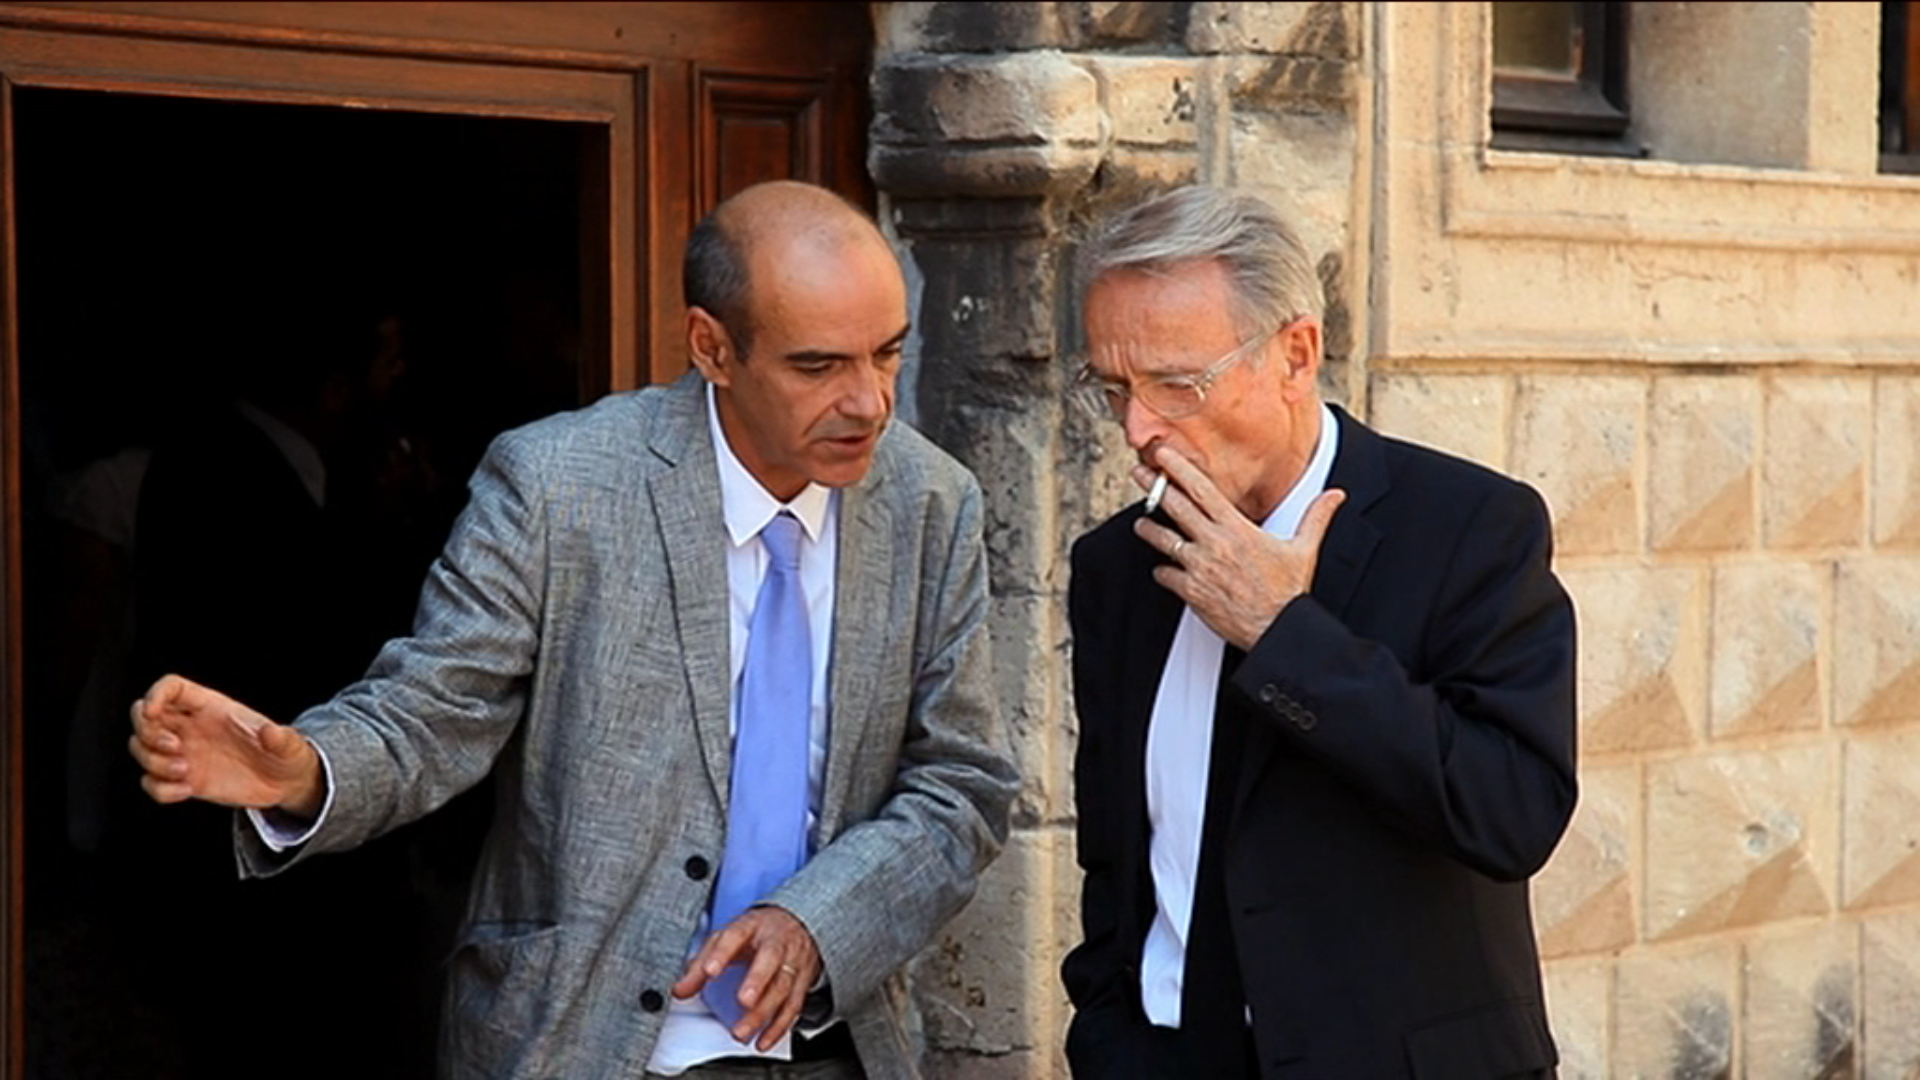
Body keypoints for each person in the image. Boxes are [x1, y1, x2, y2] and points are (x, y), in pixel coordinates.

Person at [128, 180, 1017, 1080]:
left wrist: (820, 923)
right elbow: (436, 708)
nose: (870, 402)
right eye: (819, 367)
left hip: (835, 1050)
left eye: (887, 354)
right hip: (576, 1043)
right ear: (711, 347)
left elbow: (962, 782)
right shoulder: (557, 484)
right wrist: (309, 772)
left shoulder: (932, 503)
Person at [1060, 185, 1576, 1079]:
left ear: (1295, 354)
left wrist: (1285, 636)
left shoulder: (1470, 526)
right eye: (1114, 389)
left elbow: (1511, 814)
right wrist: (1110, 1041)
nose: (1138, 429)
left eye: (1176, 385)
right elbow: (1119, 859)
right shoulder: (1119, 565)